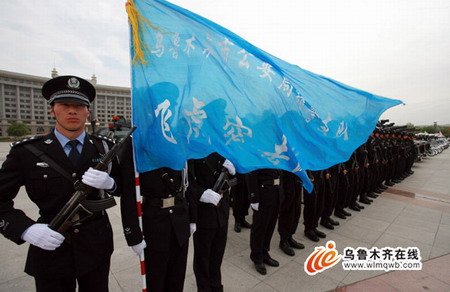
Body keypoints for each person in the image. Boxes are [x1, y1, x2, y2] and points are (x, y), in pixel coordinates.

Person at [0, 75, 120, 292]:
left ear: (87, 112)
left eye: (78, 106)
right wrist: (26, 229)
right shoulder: (26, 152)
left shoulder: (104, 148)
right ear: (52, 110)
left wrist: (111, 183)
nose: (72, 111)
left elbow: (126, 187)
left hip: (96, 246)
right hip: (50, 243)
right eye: (65, 105)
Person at [119, 138, 194, 292]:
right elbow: (128, 193)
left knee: (177, 280)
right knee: (155, 282)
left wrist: (193, 218)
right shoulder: (136, 141)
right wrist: (133, 235)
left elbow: (188, 181)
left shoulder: (178, 138)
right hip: (154, 223)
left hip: (179, 219)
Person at [187, 152, 235, 292]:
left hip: (222, 209)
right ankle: (203, 288)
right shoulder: (194, 148)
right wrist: (200, 194)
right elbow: (187, 182)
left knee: (217, 254)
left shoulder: (221, 146)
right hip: (204, 211)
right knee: (203, 257)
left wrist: (233, 173)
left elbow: (235, 178)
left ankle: (216, 286)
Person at [246, 169, 283, 275]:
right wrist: (253, 198)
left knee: (270, 226)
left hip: (276, 192)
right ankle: (257, 257)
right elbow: (251, 174)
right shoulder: (259, 152)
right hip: (263, 194)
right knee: (260, 228)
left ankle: (265, 252)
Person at [278, 171, 304, 256]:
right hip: (287, 180)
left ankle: (290, 236)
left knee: (296, 212)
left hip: (297, 179)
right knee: (287, 211)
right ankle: (283, 240)